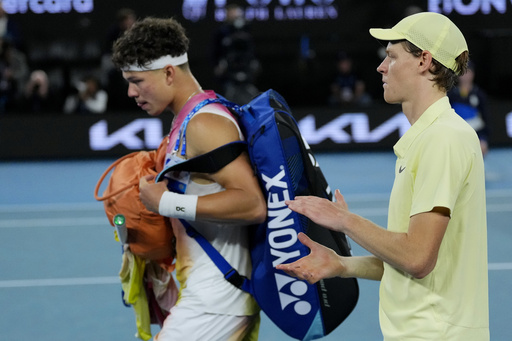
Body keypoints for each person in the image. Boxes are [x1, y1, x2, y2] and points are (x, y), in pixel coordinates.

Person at [277, 12, 489, 340]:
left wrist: (343, 220)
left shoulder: (442, 138)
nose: (381, 67)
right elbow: (405, 259)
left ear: (425, 61)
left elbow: (417, 258)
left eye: (391, 56)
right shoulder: (429, 137)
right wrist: (343, 265)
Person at [111, 17, 266, 341]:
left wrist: (166, 202)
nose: (130, 92)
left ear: (169, 72)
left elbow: (252, 204)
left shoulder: (205, 124)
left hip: (217, 301)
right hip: (211, 295)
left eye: (137, 80)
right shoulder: (188, 122)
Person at [212, 4, 259, 104]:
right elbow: (214, 52)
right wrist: (218, 65)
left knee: (252, 97)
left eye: (236, 16)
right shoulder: (221, 33)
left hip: (246, 70)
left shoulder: (247, 31)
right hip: (229, 73)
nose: (234, 18)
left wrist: (254, 63)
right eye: (231, 15)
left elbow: (252, 50)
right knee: (229, 97)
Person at [448, 61, 490, 156]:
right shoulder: (451, 95)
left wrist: (484, 139)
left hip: (476, 135)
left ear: (473, 74)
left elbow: (486, 120)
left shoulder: (479, 95)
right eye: (463, 72)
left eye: (468, 72)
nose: (465, 75)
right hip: (457, 135)